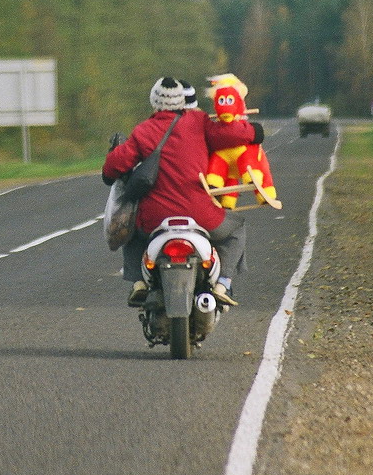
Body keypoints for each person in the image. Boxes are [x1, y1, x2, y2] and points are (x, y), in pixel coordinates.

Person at [102, 76, 265, 307]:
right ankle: (223, 283)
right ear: (182, 101)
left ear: (154, 102)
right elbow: (227, 134)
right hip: (200, 213)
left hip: (154, 218)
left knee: (131, 232)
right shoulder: (198, 121)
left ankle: (138, 283)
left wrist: (108, 173)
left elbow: (117, 162)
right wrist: (254, 132)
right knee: (236, 228)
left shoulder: (143, 131)